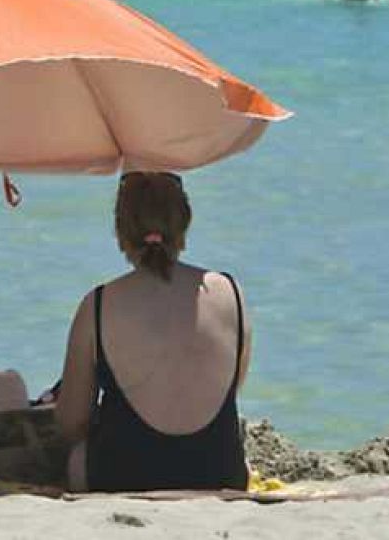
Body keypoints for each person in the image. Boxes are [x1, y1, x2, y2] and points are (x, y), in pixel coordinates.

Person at [54, 171, 251, 492]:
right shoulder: (231, 292)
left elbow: (71, 422)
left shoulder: (98, 304)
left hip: (123, 477)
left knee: (77, 458)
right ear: (184, 224)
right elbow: (231, 388)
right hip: (219, 473)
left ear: (121, 232)